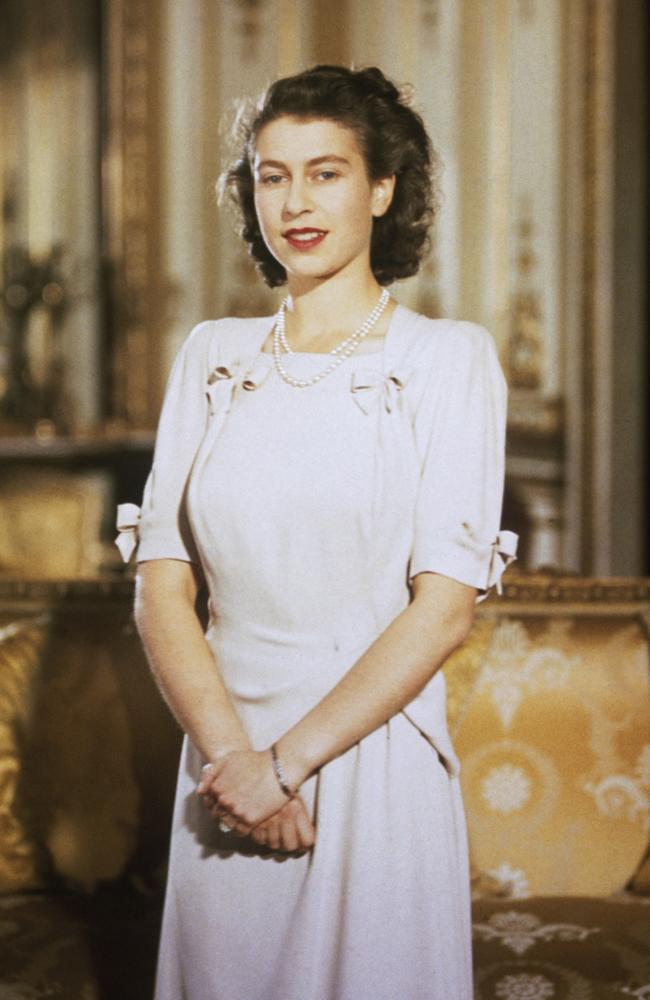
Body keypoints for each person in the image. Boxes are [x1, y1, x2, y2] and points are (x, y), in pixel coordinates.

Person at [116, 63, 518, 1000]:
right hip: (221, 766)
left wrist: (286, 767)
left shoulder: (445, 361)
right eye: (271, 174)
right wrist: (234, 765)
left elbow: (443, 612)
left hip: (367, 765)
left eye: (326, 172)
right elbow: (162, 586)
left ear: (382, 189)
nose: (295, 201)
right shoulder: (210, 357)